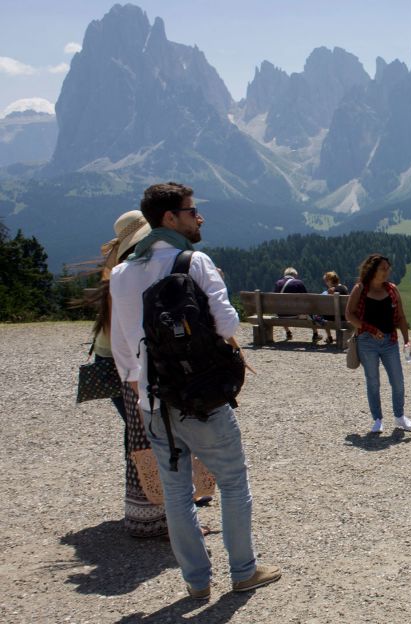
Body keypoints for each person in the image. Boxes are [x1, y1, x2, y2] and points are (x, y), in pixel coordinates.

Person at [110, 182, 281, 600]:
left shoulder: (121, 272)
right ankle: (243, 570)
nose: (198, 216)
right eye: (192, 210)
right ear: (170, 218)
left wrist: (143, 390)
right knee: (233, 482)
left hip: (153, 399)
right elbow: (227, 326)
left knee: (176, 494)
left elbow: (121, 348)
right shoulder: (194, 261)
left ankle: (196, 582)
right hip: (203, 396)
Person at [88, 210, 170, 538]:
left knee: (138, 437)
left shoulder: (115, 277)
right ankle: (158, 513)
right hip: (129, 367)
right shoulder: (126, 278)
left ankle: (145, 508)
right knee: (153, 439)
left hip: (114, 364)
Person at [345, 253, 411, 433]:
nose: (387, 271)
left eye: (388, 268)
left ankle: (399, 416)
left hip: (390, 340)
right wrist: (368, 328)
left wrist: (407, 340)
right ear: (373, 269)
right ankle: (377, 419)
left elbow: (400, 317)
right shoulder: (360, 289)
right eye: (383, 268)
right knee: (373, 381)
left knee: (398, 380)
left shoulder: (392, 289)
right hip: (367, 342)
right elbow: (349, 314)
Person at [313, 271, 349, 344]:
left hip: (333, 317)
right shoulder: (344, 288)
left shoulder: (331, 290)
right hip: (344, 316)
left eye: (326, 281)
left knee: (322, 314)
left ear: (329, 281)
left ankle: (329, 337)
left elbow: (323, 305)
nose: (326, 283)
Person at [273, 267, 307, 341]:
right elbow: (306, 299)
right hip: (295, 314)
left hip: (280, 314)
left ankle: (288, 332)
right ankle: (315, 334)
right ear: (294, 275)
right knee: (310, 310)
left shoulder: (278, 283)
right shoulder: (299, 283)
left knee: (282, 307)